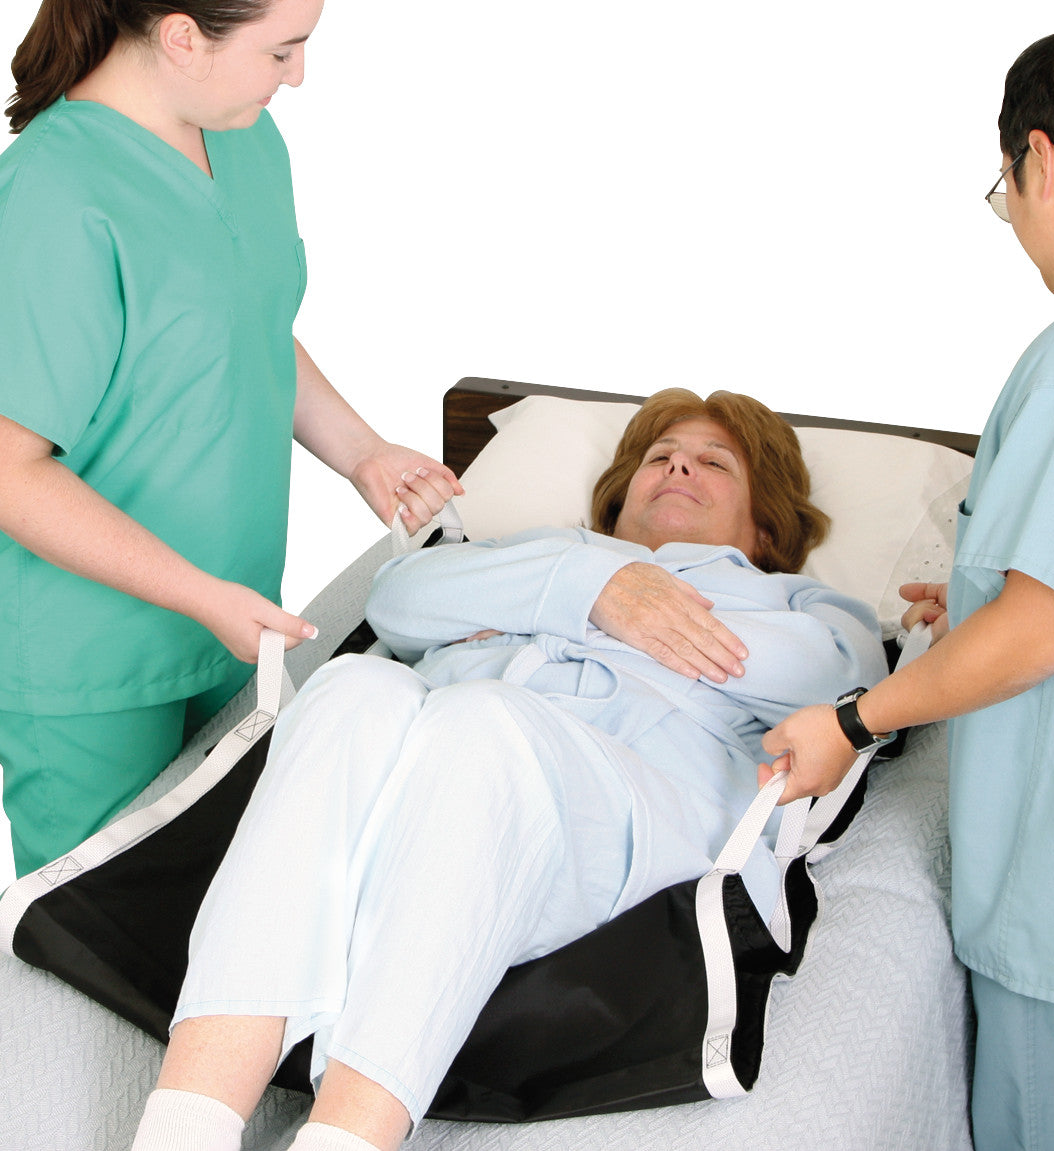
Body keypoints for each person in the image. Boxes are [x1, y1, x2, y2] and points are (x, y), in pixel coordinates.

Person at [127, 387, 887, 1151]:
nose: (678, 463)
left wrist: (599, 610)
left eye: (713, 460)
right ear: (620, 492)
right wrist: (588, 589)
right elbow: (399, 601)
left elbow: (836, 687)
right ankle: (185, 1124)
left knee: (480, 722)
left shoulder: (800, 603)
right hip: (423, 776)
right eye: (658, 454)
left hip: (621, 810)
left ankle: (346, 1136)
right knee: (353, 684)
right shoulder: (540, 550)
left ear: (765, 519)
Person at [0, 0, 462, 881]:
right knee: (96, 913)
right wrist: (197, 594)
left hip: (219, 609)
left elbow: (245, 328)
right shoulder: (48, 202)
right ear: (181, 36)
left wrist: (363, 451)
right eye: (279, 48)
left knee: (211, 891)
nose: (299, 75)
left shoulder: (245, 139)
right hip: (81, 647)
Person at [760, 17, 1054, 1151]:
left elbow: (1046, 626)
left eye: (1004, 194)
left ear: (1040, 160)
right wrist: (980, 601)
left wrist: (855, 716)